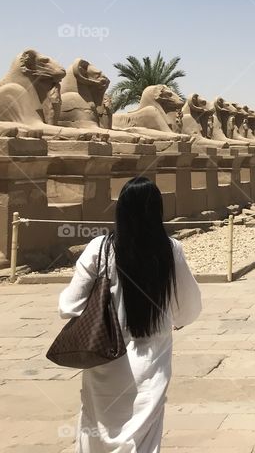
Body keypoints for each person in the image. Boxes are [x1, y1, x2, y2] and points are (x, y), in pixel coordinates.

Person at [59, 177, 202, 453]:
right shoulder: (170, 249)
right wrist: (176, 321)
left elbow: (69, 306)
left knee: (96, 436)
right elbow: (189, 307)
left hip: (104, 360)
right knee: (143, 441)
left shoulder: (99, 248)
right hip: (150, 366)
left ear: (120, 209)